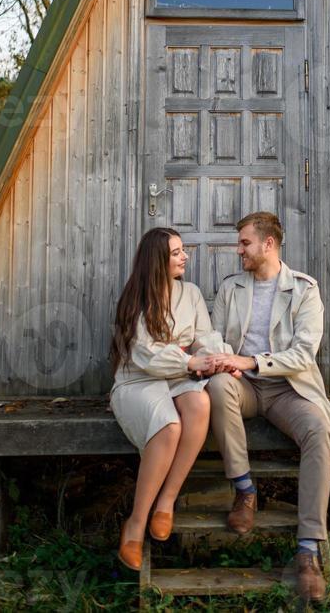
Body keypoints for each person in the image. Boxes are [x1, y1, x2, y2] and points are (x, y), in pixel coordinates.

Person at [207, 212, 330, 602]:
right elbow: (215, 337)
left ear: (268, 244)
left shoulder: (303, 290)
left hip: (287, 389)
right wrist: (228, 360)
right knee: (217, 385)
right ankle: (245, 491)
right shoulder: (231, 287)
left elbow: (302, 355)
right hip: (242, 386)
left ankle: (308, 549)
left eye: (245, 243)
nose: (239, 250)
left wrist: (252, 361)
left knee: (317, 429)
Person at [109, 226, 228, 572]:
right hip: (139, 380)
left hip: (178, 378)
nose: (184, 256)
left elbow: (203, 338)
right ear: (157, 259)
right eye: (176, 252)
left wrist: (217, 358)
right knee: (169, 428)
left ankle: (167, 500)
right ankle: (135, 522)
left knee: (199, 404)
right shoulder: (137, 297)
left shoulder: (190, 293)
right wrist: (189, 359)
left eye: (182, 250)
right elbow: (145, 354)